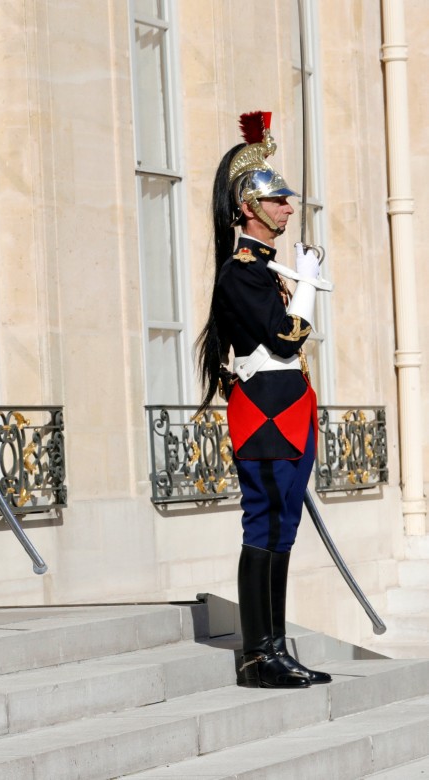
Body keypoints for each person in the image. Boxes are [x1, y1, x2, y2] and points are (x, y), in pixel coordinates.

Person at [195, 111, 333, 688]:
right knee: (264, 527)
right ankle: (258, 654)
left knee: (282, 530)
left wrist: (296, 280)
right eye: (276, 200)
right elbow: (283, 337)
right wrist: (305, 285)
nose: (287, 208)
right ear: (248, 207)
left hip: (289, 408)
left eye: (286, 199)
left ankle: (275, 648)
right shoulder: (241, 272)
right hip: (266, 412)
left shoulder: (267, 269)